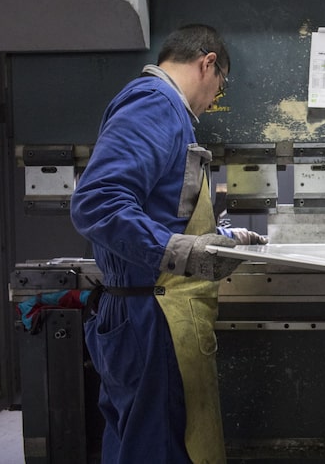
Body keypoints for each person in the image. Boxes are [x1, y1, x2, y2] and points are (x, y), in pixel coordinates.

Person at [70, 24, 266, 464]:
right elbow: (98, 202)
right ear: (207, 62)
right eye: (221, 86)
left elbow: (160, 210)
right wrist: (184, 252)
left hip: (142, 311)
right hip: (151, 316)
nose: (217, 99)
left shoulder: (165, 111)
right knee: (156, 449)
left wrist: (218, 240)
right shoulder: (156, 103)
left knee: (135, 443)